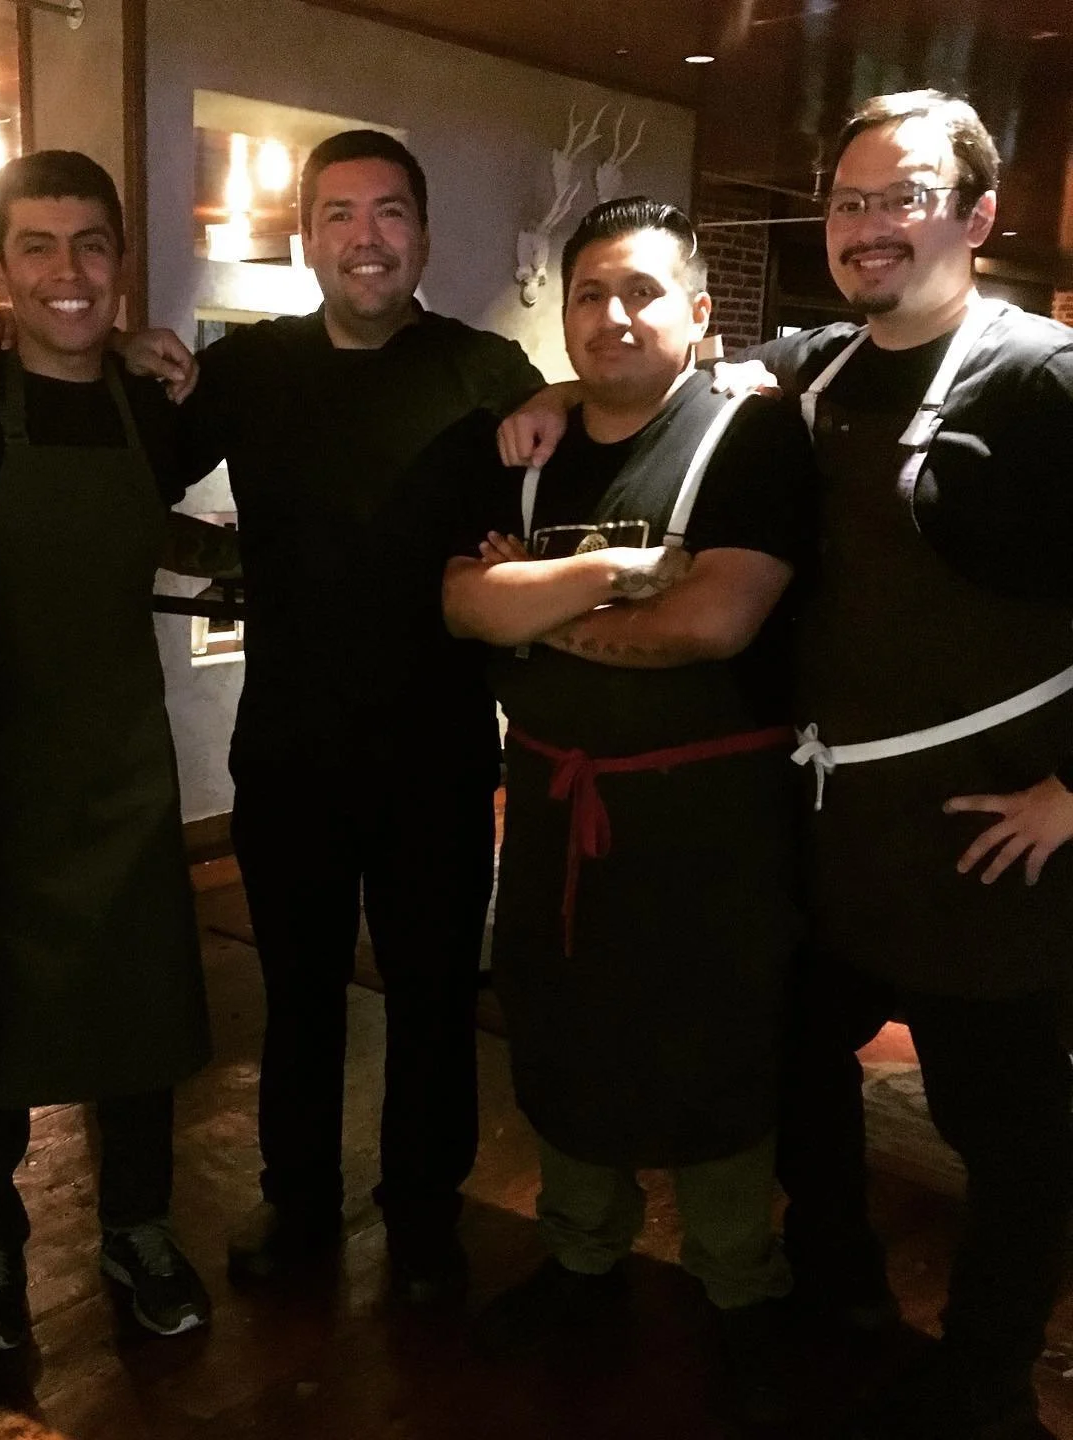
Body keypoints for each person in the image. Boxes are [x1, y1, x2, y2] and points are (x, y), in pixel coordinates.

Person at [499, 92, 1073, 1440]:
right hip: (825, 828)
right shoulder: (809, 366)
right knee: (798, 1086)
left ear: (978, 217)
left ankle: (988, 1378)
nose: (872, 226)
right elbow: (655, 361)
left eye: (906, 196)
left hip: (994, 830)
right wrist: (548, 391)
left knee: (1014, 1139)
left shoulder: (1045, 379)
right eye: (852, 202)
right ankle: (841, 1300)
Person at [442, 198, 816, 1419]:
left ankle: (738, 1287)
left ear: (701, 313)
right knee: (561, 1028)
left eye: (645, 292)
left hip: (711, 826)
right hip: (555, 808)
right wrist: (610, 590)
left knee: (713, 1046)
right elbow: (464, 609)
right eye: (592, 292)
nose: (615, 315)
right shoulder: (529, 448)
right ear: (564, 312)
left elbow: (716, 622)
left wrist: (543, 613)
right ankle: (583, 1255)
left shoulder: (751, 440)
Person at [172, 130, 545, 1303]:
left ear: (422, 235)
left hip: (438, 752)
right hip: (287, 751)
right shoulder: (247, 371)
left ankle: (424, 1214)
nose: (364, 238)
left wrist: (570, 400)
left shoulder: (487, 370)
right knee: (298, 996)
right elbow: (131, 464)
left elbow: (554, 503)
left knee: (436, 996)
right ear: (304, 239)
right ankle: (298, 1204)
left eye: (388, 213)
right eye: (338, 215)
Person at [0, 150, 227, 1352]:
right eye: (35, 247)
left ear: (120, 261)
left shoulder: (154, 407)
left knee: (139, 1022)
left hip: (124, 777)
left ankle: (138, 1233)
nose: (65, 270)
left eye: (90, 244)